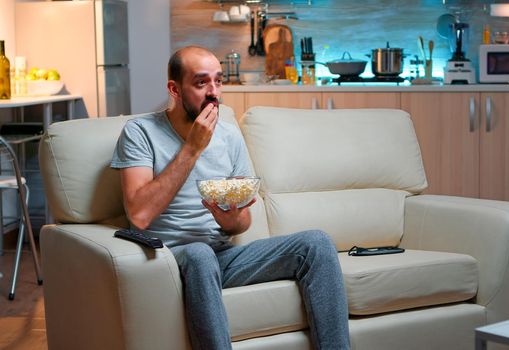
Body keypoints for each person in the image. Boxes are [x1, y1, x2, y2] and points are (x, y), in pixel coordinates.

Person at [110, 45, 350, 350]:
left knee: (316, 243)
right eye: (200, 83)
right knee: (198, 253)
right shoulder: (140, 132)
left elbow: (242, 222)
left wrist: (231, 218)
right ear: (174, 89)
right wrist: (192, 148)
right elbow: (139, 214)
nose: (213, 92)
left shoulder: (228, 135)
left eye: (218, 81)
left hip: (221, 256)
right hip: (168, 258)